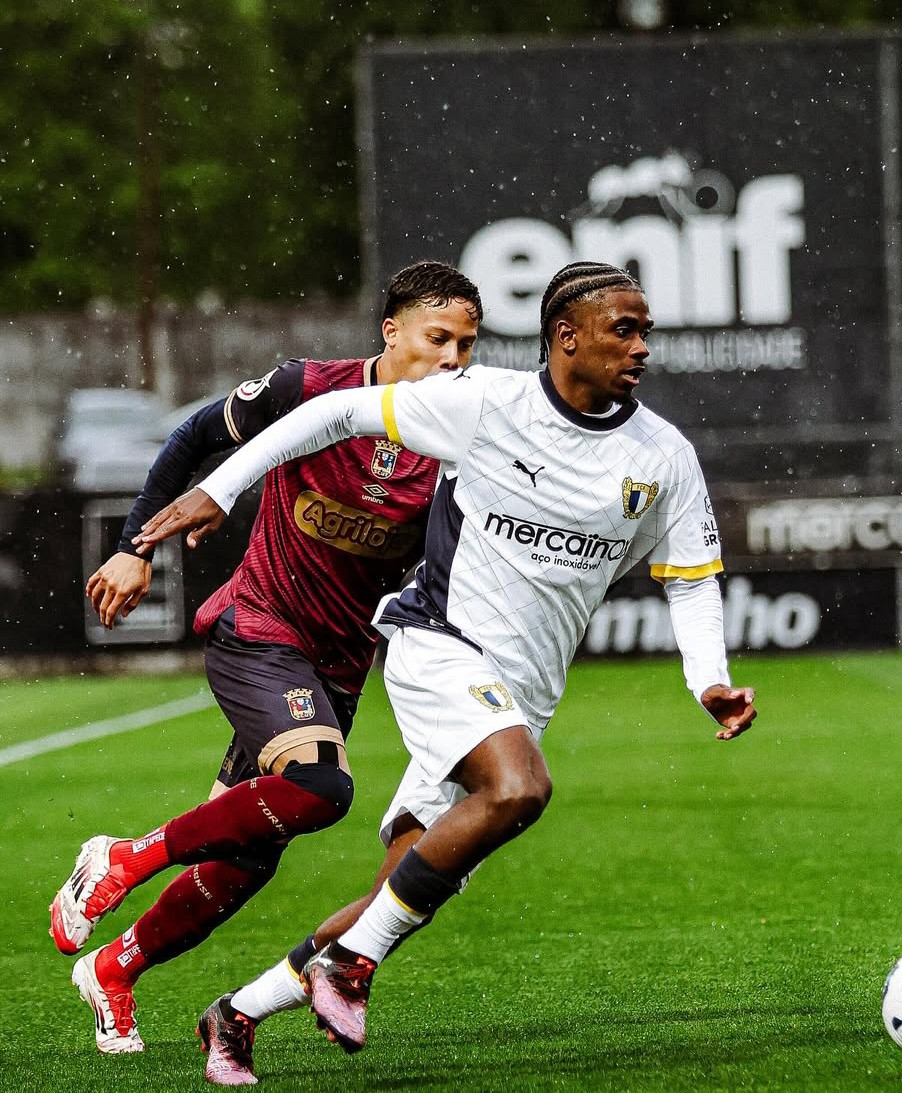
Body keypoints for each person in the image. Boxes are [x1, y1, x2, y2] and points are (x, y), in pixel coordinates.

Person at [135, 261, 757, 1080]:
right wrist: (221, 488)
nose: (642, 347)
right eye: (625, 330)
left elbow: (692, 580)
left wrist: (704, 677)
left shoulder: (663, 456)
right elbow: (334, 411)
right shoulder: (484, 403)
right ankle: (350, 969)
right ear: (565, 336)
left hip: (523, 697)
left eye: (646, 332)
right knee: (520, 789)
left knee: (404, 888)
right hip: (440, 646)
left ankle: (238, 1011)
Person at [50, 261, 483, 1057]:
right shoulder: (308, 388)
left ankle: (115, 967)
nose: (454, 359)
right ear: (391, 333)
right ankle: (122, 855)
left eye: (467, 343)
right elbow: (193, 437)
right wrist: (133, 550)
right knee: (320, 786)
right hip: (260, 627)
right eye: (437, 338)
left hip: (341, 662)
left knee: (247, 858)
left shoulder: (465, 434)